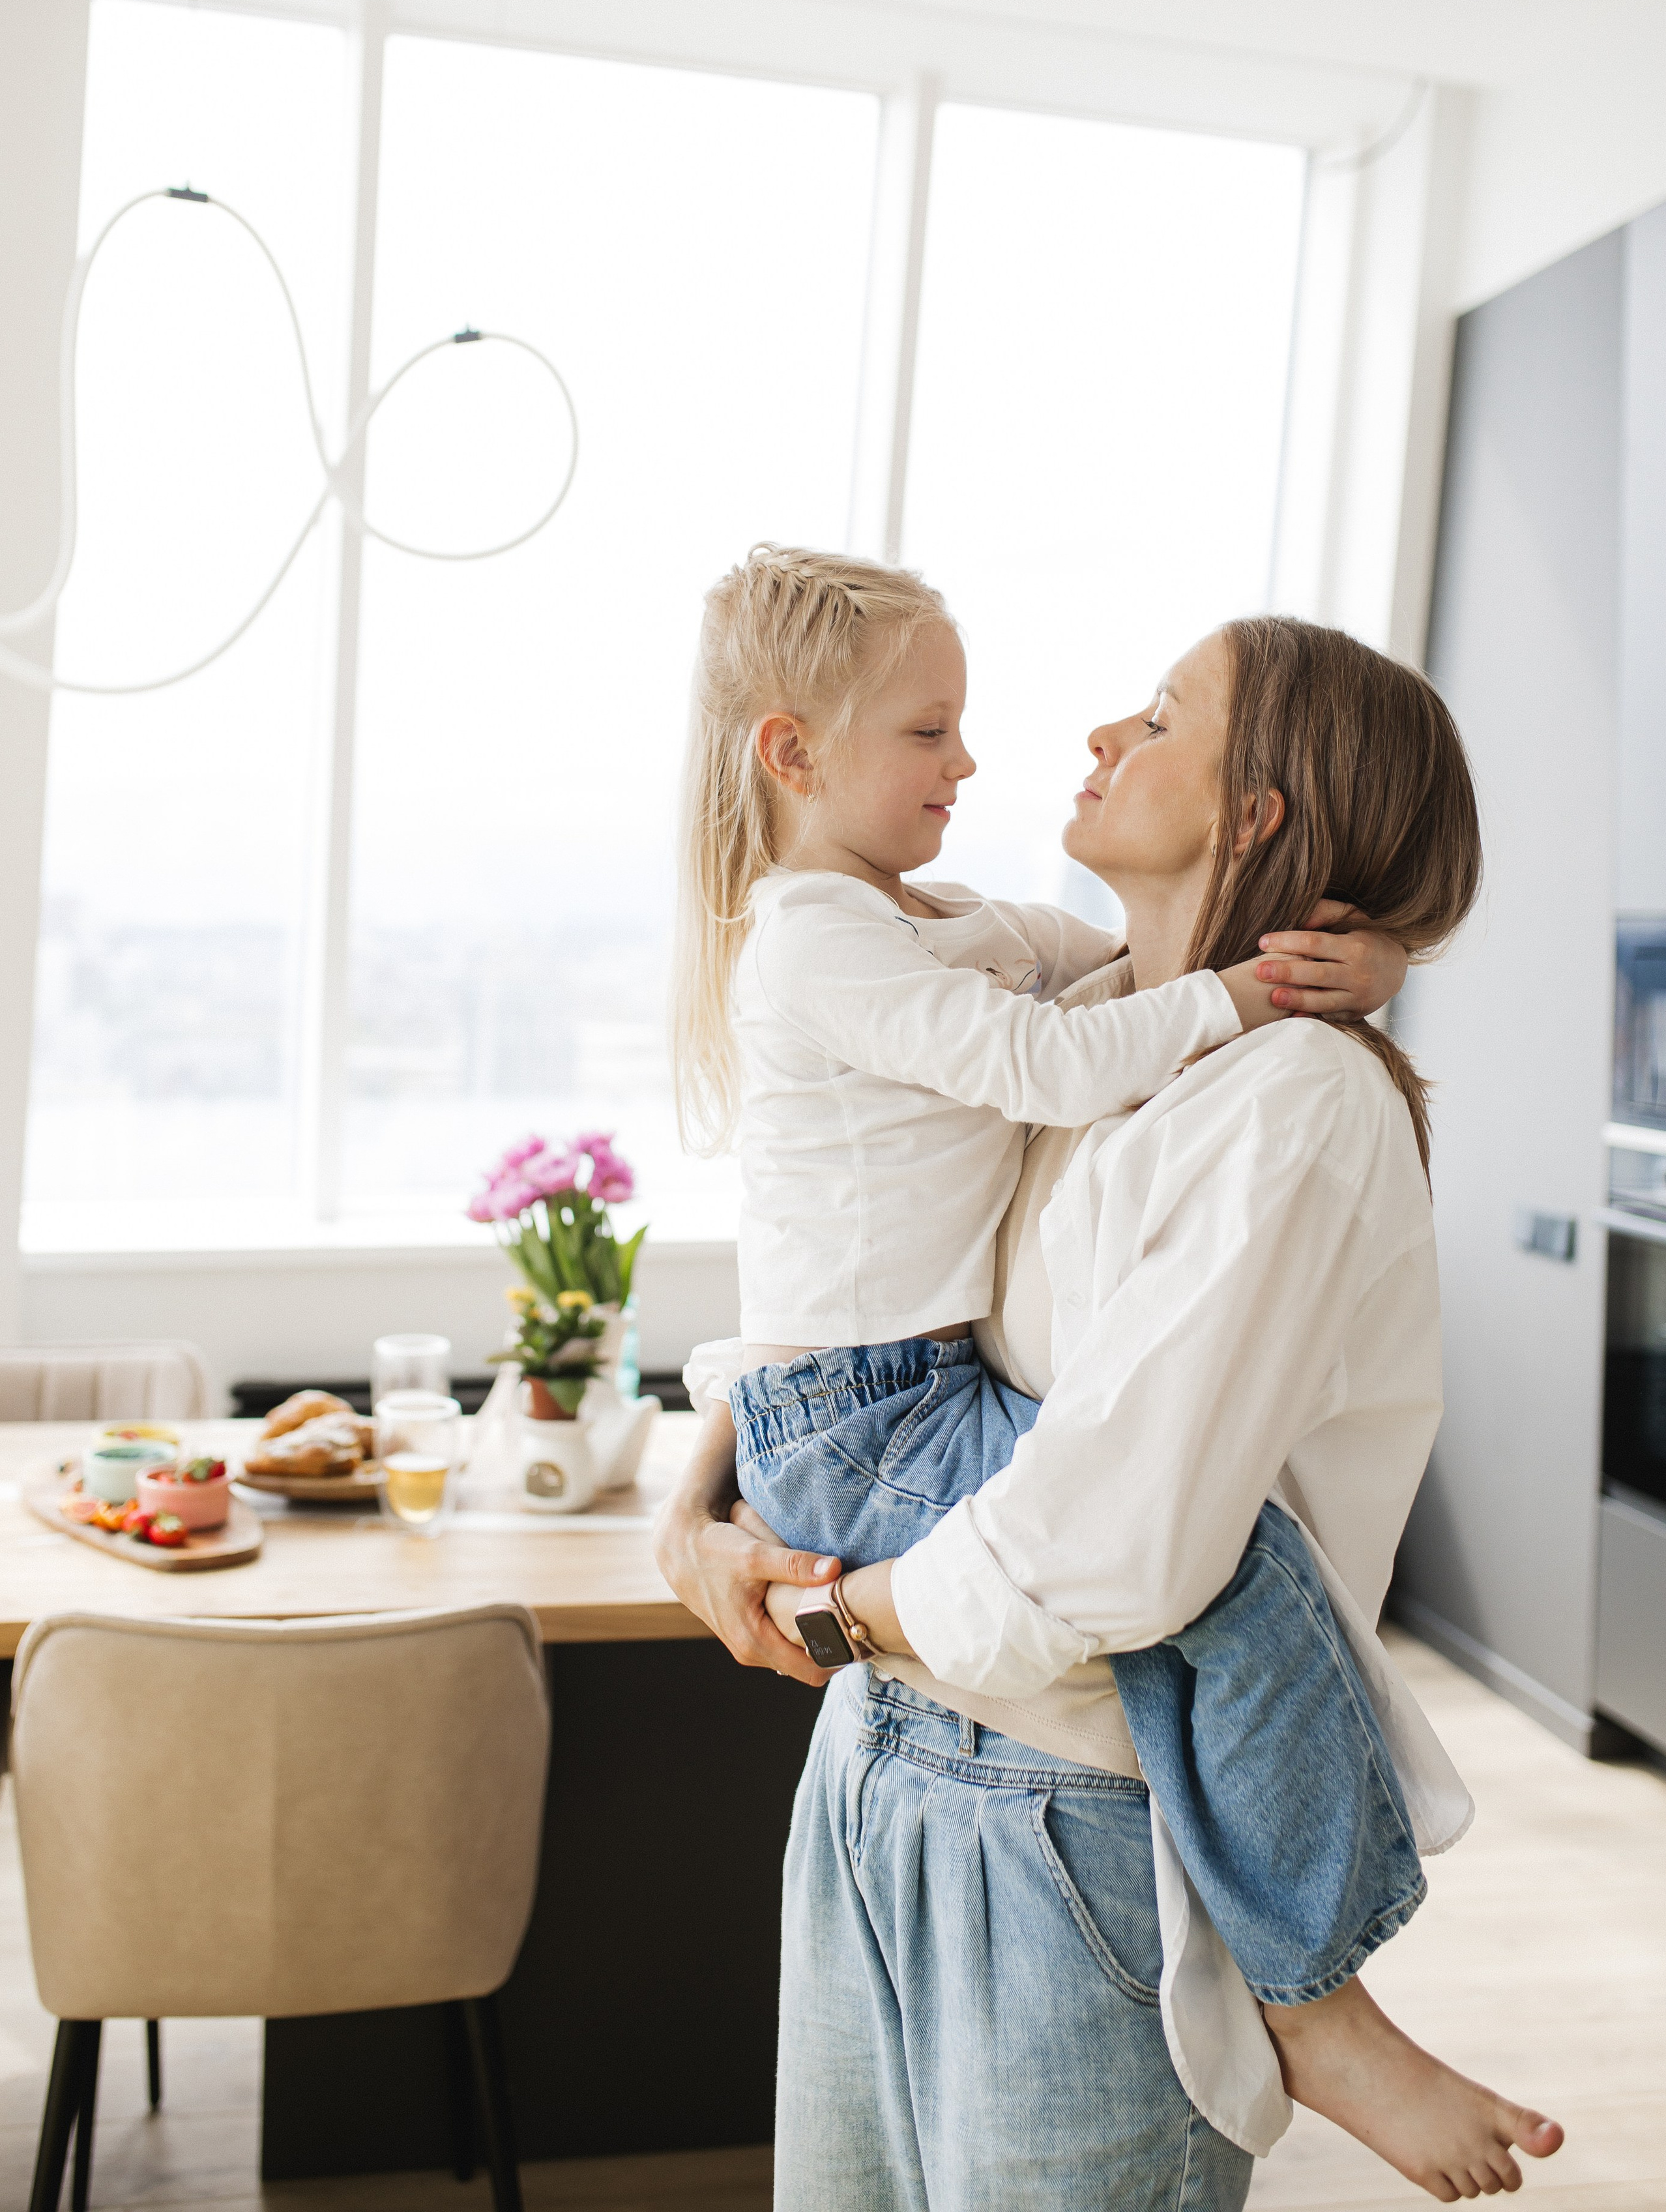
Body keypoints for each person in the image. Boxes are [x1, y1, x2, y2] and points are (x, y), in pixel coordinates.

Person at [656, 587, 1566, 2205]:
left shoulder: (1289, 1100)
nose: (1089, 736)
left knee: (1247, 1591)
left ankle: (1316, 1996)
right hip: (877, 1758)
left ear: (1254, 811)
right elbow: (850, 1303)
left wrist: (827, 1612)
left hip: (1062, 1814)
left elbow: (1123, 1540)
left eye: (1153, 720)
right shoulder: (1069, 1033)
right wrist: (692, 1515)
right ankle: (1318, 2000)